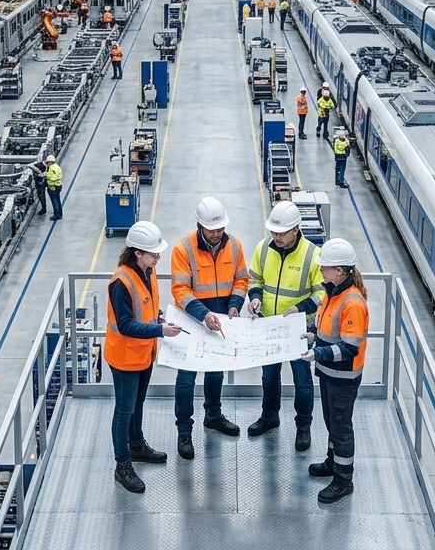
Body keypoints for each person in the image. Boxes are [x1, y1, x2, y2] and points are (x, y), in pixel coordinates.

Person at [106, 221, 182, 493]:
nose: (157, 257)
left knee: (138, 404)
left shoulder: (147, 271)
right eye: (153, 254)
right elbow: (125, 325)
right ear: (137, 252)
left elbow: (146, 308)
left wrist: (160, 318)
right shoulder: (121, 282)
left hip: (143, 354)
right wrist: (160, 329)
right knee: (124, 411)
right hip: (125, 358)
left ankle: (136, 445)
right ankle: (122, 464)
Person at [170, 198, 248, 460]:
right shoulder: (183, 249)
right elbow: (180, 290)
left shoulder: (234, 245)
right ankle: (184, 431)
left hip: (222, 319)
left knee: (216, 372)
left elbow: (241, 278)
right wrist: (204, 315)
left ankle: (213, 416)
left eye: (220, 229)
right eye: (211, 230)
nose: (216, 234)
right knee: (186, 379)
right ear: (199, 226)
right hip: (192, 320)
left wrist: (235, 305)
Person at [246, 201, 323, 451]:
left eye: (281, 233)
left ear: (296, 229)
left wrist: (300, 309)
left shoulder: (313, 255)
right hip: (269, 326)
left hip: (299, 330)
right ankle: (270, 417)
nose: (276, 237)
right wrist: (255, 296)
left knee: (302, 381)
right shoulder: (263, 248)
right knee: (269, 376)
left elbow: (322, 292)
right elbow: (255, 278)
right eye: (273, 232)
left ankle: (303, 427)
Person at [303, 238, 369, 504]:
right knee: (331, 422)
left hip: (343, 377)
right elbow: (326, 328)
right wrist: (312, 336)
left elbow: (349, 348)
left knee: (341, 428)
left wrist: (316, 353)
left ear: (339, 271)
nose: (321, 271)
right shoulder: (333, 293)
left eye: (325, 267)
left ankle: (343, 481)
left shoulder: (352, 302)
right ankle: (332, 462)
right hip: (330, 374)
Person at [45, 154, 63, 221]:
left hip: (53, 187)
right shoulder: (57, 166)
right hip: (58, 186)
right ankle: (60, 214)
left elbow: (54, 177)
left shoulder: (52, 168)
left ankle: (56, 214)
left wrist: (47, 176)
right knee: (58, 200)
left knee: (54, 201)